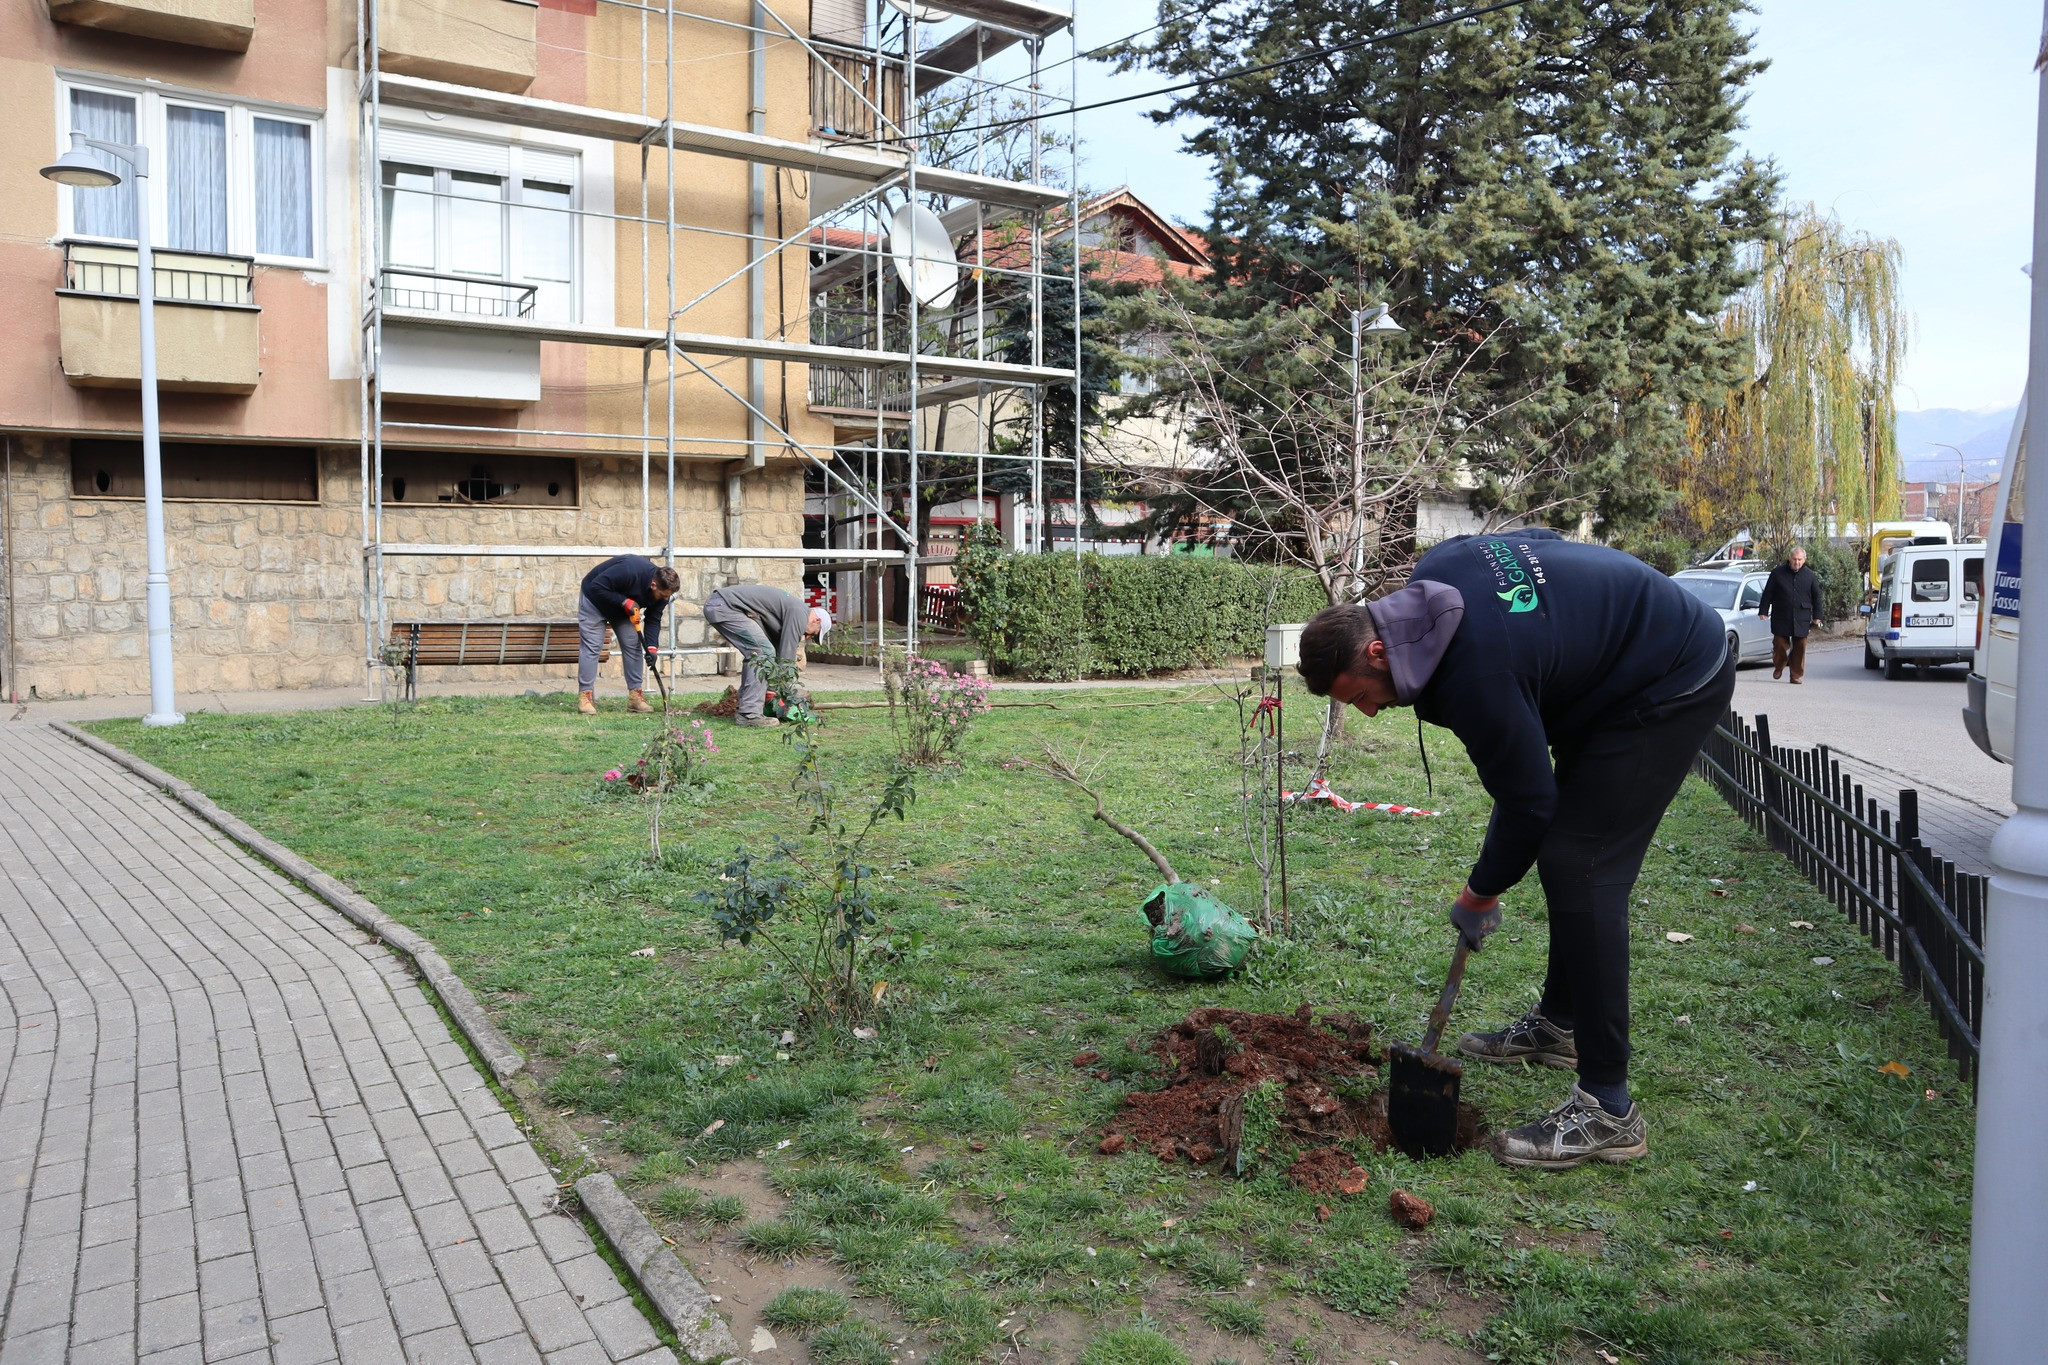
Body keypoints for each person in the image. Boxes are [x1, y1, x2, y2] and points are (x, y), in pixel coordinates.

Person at [1294, 530, 1736, 1169]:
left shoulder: (1474, 672)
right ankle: (1561, 1025)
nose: (1366, 713)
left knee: (1584, 866)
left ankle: (1609, 1108)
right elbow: (1539, 541)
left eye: (1360, 695)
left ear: (1376, 649)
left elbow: (1530, 803)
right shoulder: (1436, 573)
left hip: (1668, 677)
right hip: (1605, 675)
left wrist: (1478, 893)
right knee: (1567, 855)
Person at [701, 584, 831, 726]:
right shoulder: (800, 613)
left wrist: (772, 690)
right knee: (762, 652)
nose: (807, 637)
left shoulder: (789, 613)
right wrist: (784, 693)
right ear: (816, 621)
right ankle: (749, 715)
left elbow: (777, 652)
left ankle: (748, 708)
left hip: (720, 604)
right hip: (725, 606)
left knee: (759, 652)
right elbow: (786, 657)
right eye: (813, 634)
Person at [578, 555, 680, 716]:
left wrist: (652, 649)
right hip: (595, 600)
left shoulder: (662, 593)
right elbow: (597, 586)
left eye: (667, 596)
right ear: (653, 585)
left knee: (633, 645)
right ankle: (585, 696)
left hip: (622, 609)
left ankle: (635, 698)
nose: (665, 599)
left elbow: (654, 619)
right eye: (663, 595)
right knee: (592, 647)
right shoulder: (630, 570)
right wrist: (624, 601)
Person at [1756, 544, 1825, 683]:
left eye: (1799, 559)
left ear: (1804, 560)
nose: (1796, 562)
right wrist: (1763, 610)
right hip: (1781, 615)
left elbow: (1817, 596)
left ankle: (1795, 674)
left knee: (1800, 645)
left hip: (1802, 617)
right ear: (1789, 558)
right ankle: (1780, 664)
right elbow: (1768, 592)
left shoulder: (1810, 576)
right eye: (1794, 559)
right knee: (1780, 643)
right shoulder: (1777, 573)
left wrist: (1818, 616)